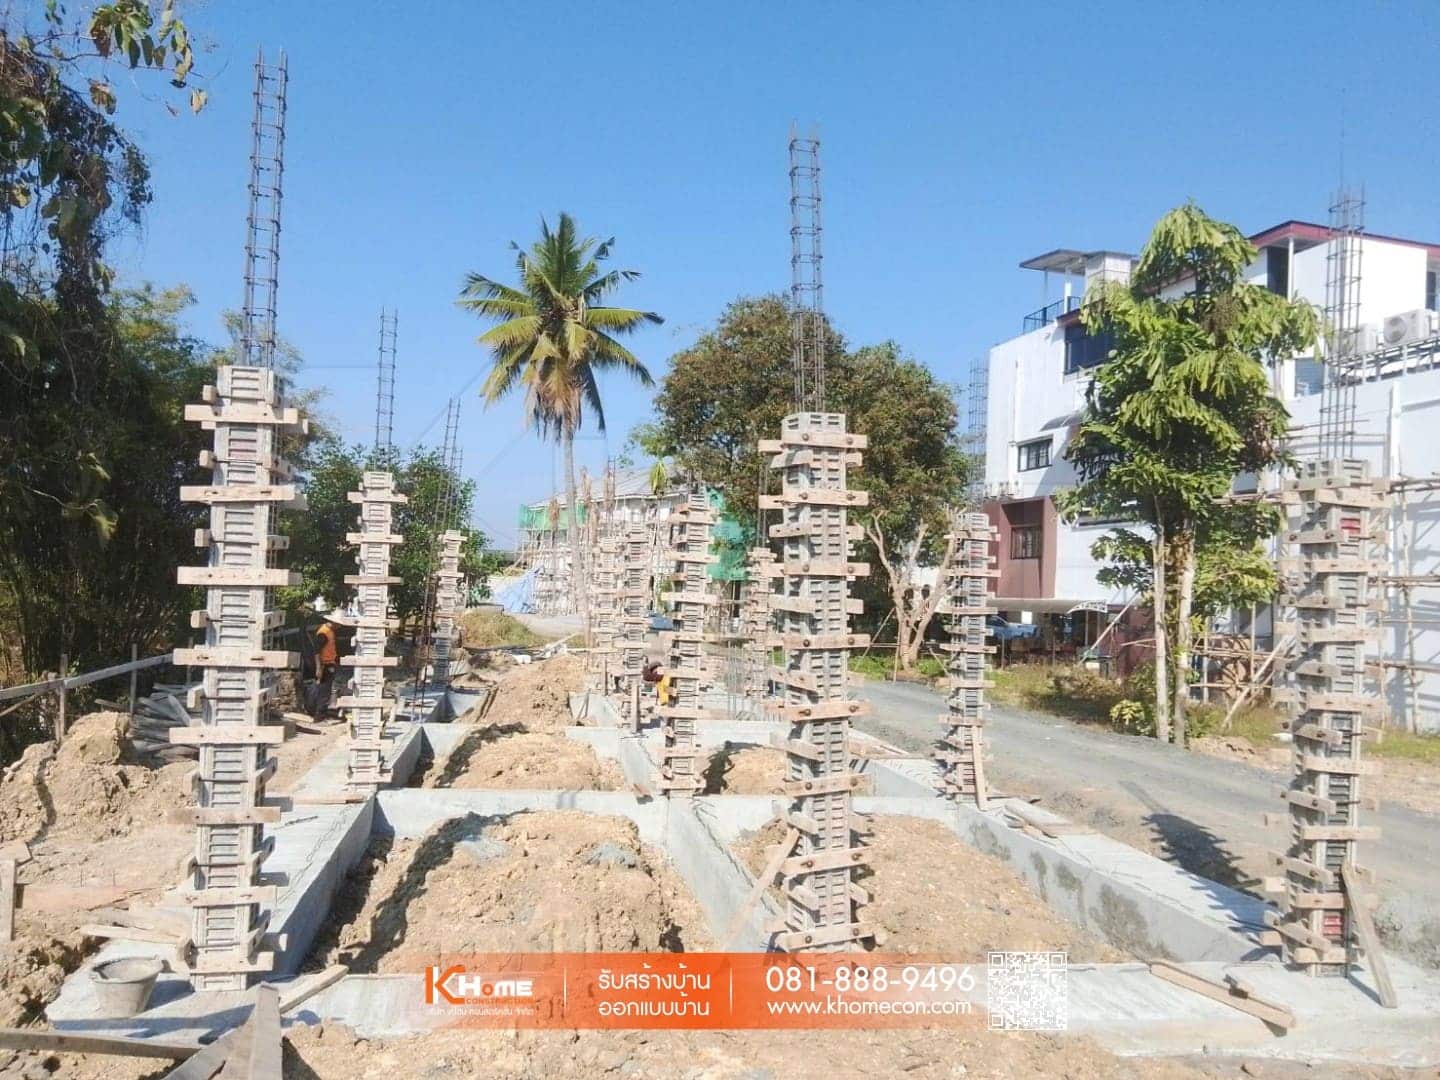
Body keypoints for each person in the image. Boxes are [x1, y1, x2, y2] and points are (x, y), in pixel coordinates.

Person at [310, 617, 339, 719]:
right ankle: (319, 715)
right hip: (325, 665)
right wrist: (318, 667)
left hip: (329, 662)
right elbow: (316, 651)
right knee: (324, 691)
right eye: (338, 624)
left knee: (327, 690)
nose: (339, 627)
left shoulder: (329, 631)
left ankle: (323, 712)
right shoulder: (323, 633)